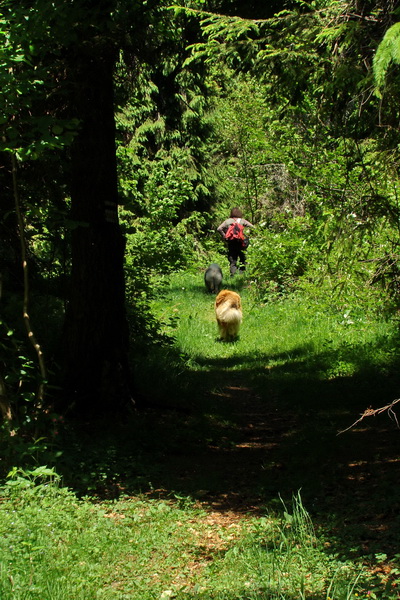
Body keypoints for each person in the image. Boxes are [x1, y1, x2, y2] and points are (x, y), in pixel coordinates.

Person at [217, 208, 255, 276]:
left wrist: (225, 236)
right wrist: (248, 235)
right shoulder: (242, 221)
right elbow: (253, 227)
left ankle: (233, 274)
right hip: (241, 242)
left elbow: (219, 229)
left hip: (231, 242)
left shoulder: (228, 221)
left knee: (232, 259)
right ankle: (242, 274)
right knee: (242, 258)